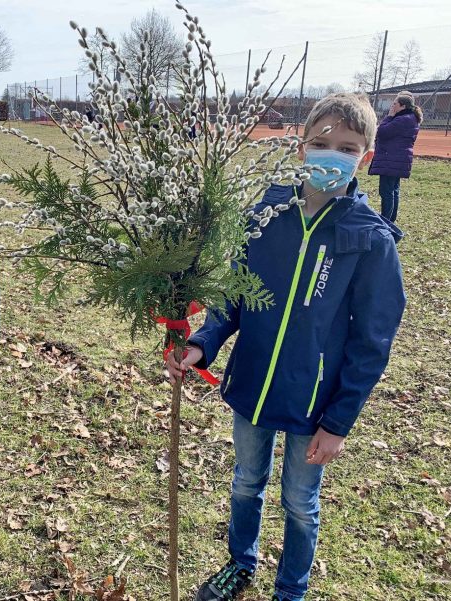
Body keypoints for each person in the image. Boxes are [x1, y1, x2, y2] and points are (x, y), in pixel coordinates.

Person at [167, 93, 406, 601]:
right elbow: (235, 296)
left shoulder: (370, 239)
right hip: (253, 383)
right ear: (301, 147)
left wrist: (338, 422)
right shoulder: (266, 213)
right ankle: (240, 563)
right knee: (246, 483)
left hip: (314, 401)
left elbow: (372, 343)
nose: (331, 155)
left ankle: (290, 589)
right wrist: (203, 345)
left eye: (346, 147)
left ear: (364, 156)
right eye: (321, 143)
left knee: (300, 501)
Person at [368, 91, 422, 223]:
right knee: (393, 190)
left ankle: (385, 221)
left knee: (386, 192)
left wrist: (389, 117)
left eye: (395, 104)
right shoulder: (410, 118)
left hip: (391, 159)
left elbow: (381, 132)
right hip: (397, 159)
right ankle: (390, 220)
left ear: (402, 106)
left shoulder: (402, 119)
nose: (392, 106)